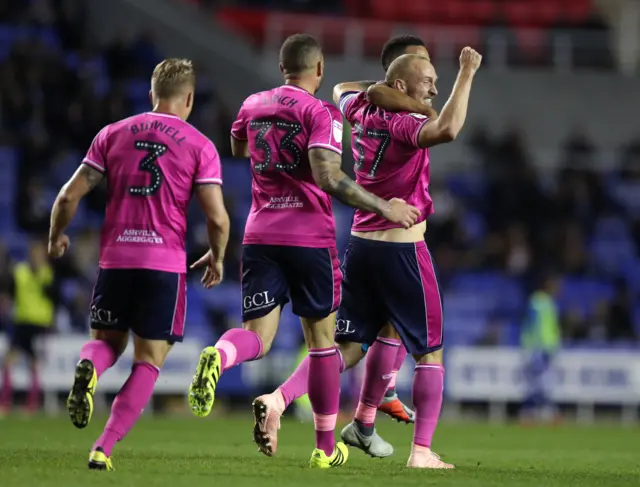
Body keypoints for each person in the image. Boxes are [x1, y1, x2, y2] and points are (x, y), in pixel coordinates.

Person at [186, 34, 420, 469]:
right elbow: (328, 177)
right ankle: (325, 448)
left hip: (259, 234)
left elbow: (238, 147)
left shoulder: (252, 103)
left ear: (281, 69)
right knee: (322, 346)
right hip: (308, 238)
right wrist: (382, 204)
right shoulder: (321, 112)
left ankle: (218, 355)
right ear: (319, 70)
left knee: (257, 337)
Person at [251, 35, 441, 459]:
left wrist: (382, 92)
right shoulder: (399, 120)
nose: (431, 83)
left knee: (351, 345)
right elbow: (444, 126)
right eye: (422, 70)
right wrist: (422, 102)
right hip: (399, 240)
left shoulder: (359, 105)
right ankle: (392, 429)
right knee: (421, 345)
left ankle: (287, 401)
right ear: (399, 76)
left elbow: (345, 90)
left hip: (361, 238)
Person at [48, 58, 230, 471]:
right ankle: (102, 448)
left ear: (151, 94)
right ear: (189, 98)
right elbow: (217, 218)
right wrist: (217, 256)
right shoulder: (199, 145)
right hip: (164, 265)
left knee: (107, 342)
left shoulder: (112, 134)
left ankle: (89, 366)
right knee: (149, 360)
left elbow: (66, 197)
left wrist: (56, 234)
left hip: (115, 260)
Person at [0, 241, 57, 414]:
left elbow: (54, 296)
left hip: (40, 324)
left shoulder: (48, 274)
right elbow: (9, 290)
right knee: (10, 361)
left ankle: (31, 403)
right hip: (22, 321)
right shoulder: (19, 272)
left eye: (39, 255)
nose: (36, 258)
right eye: (34, 254)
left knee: (33, 363)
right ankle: (6, 402)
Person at [520, 273, 562, 423]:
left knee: (543, 381)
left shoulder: (549, 302)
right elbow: (532, 325)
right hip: (538, 348)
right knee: (539, 381)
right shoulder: (537, 301)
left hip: (548, 347)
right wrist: (531, 346)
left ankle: (536, 411)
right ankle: (532, 411)